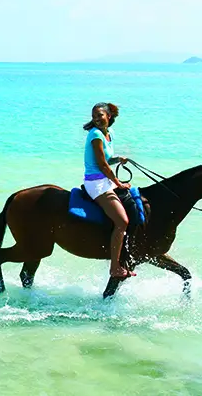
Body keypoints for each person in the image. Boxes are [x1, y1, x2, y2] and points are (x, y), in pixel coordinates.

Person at [83, 102, 136, 279]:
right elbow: (101, 165)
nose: (97, 119)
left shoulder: (109, 134)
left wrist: (118, 159)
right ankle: (115, 268)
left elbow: (107, 159)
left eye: (100, 115)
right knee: (122, 221)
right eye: (94, 116)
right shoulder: (95, 135)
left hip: (105, 180)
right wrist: (118, 183)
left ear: (109, 116)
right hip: (96, 183)